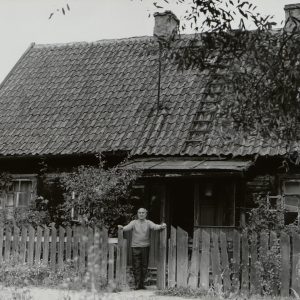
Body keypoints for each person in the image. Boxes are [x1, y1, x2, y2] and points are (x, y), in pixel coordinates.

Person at [118, 207, 166, 290]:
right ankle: (137, 284)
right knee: (136, 266)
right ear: (137, 214)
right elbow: (127, 227)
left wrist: (162, 226)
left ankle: (141, 284)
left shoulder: (148, 223)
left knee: (144, 266)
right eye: (139, 212)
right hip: (135, 247)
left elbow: (155, 226)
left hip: (145, 247)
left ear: (146, 214)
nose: (141, 214)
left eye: (143, 213)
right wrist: (122, 227)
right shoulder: (134, 222)